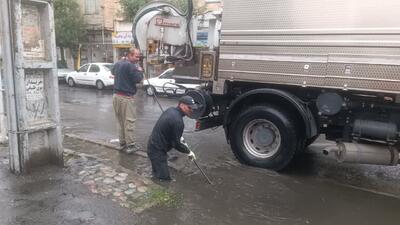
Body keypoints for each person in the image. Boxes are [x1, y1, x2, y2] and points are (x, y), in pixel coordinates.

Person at [147, 95, 198, 181]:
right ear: (182, 105)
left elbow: (171, 131)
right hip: (157, 150)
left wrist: (179, 137)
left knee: (157, 172)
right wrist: (188, 151)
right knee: (165, 179)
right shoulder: (178, 121)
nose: (192, 110)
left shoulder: (171, 110)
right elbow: (176, 144)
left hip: (153, 144)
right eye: (190, 107)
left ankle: (154, 179)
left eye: (193, 108)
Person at [112, 48, 144, 153]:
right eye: (136, 56)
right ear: (130, 55)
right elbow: (138, 79)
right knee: (129, 121)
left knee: (120, 121)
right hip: (126, 98)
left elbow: (112, 71)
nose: (138, 58)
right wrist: (139, 70)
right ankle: (130, 145)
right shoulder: (131, 66)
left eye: (139, 56)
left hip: (116, 96)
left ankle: (122, 143)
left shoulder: (119, 63)